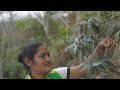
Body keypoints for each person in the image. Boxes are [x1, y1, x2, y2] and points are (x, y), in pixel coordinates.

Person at [18, 37, 117, 79]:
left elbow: (84, 68)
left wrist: (100, 48)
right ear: (28, 62)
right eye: (42, 56)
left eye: (48, 55)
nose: (48, 59)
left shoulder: (56, 74)